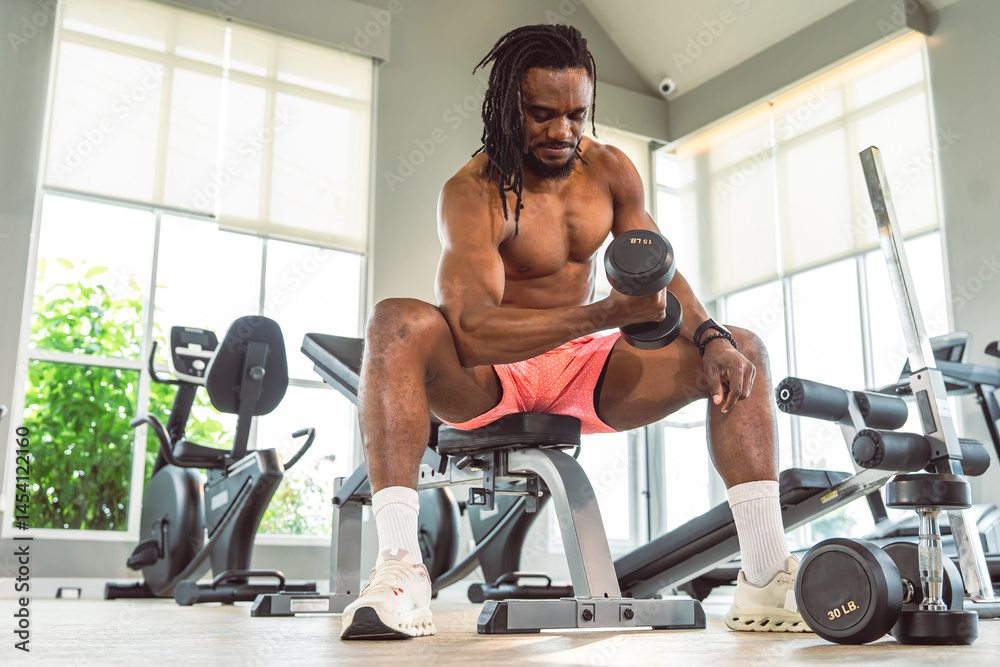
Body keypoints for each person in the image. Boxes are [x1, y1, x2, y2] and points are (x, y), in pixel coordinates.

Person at [340, 24, 808, 640]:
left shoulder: (611, 171)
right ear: (510, 107)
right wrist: (604, 315)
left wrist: (712, 337)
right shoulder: (472, 191)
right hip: (492, 376)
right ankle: (400, 571)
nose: (562, 132)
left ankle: (765, 575)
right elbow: (473, 331)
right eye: (542, 114)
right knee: (395, 319)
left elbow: (657, 268)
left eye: (575, 114)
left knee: (741, 348)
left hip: (585, 369)